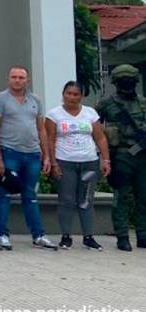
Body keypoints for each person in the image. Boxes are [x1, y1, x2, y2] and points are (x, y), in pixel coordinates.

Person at [0, 65, 56, 250]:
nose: (17, 80)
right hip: (9, 152)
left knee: (30, 194)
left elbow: (41, 128)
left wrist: (47, 156)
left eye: (21, 77)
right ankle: (2, 234)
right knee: (4, 194)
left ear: (28, 80)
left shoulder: (35, 100)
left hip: (33, 154)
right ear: (8, 79)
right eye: (14, 77)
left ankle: (38, 235)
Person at [46, 81, 110, 251]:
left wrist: (105, 159)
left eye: (76, 94)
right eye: (69, 93)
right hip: (65, 162)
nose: (72, 97)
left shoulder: (90, 113)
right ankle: (66, 236)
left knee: (86, 200)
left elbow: (100, 138)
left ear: (81, 96)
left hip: (89, 163)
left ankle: (88, 237)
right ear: (63, 94)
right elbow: (50, 139)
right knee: (67, 200)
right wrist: (53, 162)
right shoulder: (54, 114)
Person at [96, 64, 146, 251]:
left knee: (143, 197)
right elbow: (94, 125)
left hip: (142, 155)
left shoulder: (142, 102)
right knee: (121, 197)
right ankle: (122, 236)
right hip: (122, 155)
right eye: (124, 80)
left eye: (130, 80)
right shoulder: (107, 103)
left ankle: (143, 235)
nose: (128, 84)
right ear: (116, 83)